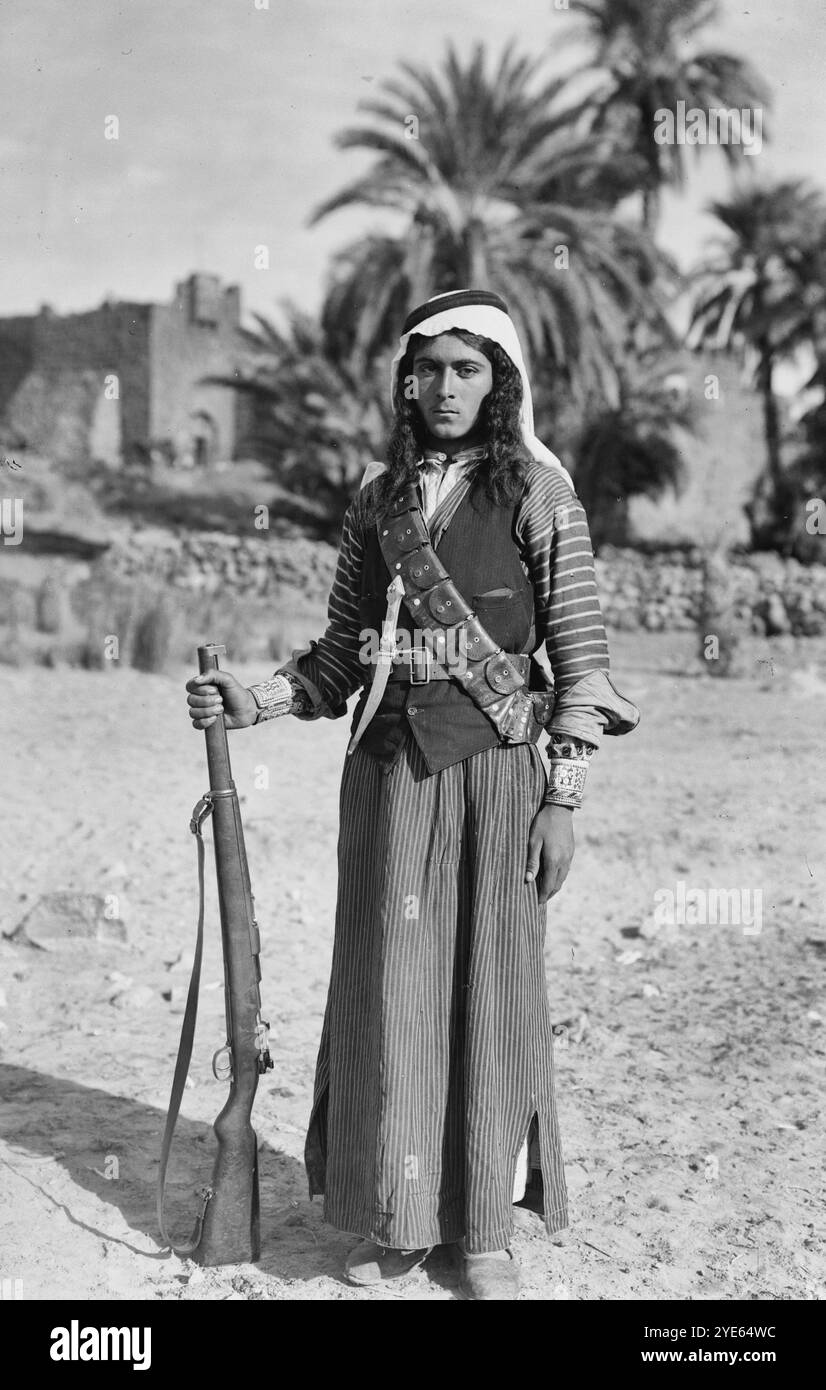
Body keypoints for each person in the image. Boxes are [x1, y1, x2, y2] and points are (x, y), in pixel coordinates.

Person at [186, 289, 639, 1300]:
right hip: (386, 776)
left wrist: (562, 801)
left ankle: (478, 1234)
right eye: (426, 368)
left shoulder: (541, 492)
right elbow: (342, 649)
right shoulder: (377, 497)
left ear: (499, 379)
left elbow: (581, 661)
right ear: (405, 380)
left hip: (497, 772)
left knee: (489, 990)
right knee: (391, 990)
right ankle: (396, 1220)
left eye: (466, 368)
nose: (443, 387)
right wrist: (253, 698)